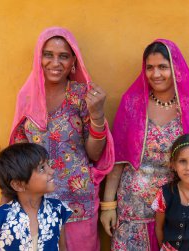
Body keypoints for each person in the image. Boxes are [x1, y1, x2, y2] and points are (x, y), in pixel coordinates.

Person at [9, 27, 114, 250]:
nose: (55, 62)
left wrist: (97, 115)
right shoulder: (27, 97)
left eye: (63, 56)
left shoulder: (81, 95)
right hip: (37, 203)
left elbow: (94, 154)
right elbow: (18, 156)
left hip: (78, 201)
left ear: (73, 61)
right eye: (48, 54)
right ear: (39, 57)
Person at [100, 39, 189, 250]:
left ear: (174, 68)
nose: (156, 74)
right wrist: (108, 206)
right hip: (133, 209)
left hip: (176, 208)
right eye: (150, 67)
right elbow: (119, 159)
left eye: (162, 67)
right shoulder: (132, 104)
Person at [0, 143, 72, 250]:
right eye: (42, 168)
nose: (51, 171)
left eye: (48, 165)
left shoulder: (58, 209)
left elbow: (62, 247)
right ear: (19, 184)